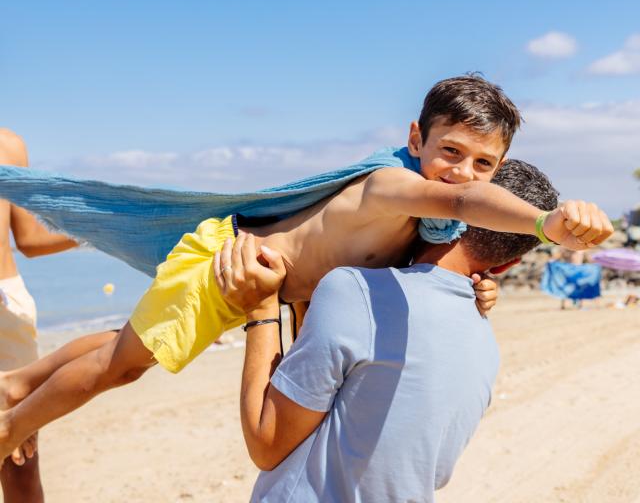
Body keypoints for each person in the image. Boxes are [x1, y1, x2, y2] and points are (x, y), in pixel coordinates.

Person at [0, 76, 612, 463]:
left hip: (254, 282)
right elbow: (460, 202)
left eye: (484, 163)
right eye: (450, 150)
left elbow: (434, 251)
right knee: (125, 365)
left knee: (126, 347)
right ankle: (13, 426)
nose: (462, 172)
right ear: (416, 137)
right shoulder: (393, 185)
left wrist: (481, 290)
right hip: (232, 263)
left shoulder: (429, 223)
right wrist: (543, 222)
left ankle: (17, 388)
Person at [217, 159, 560, 502]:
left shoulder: (354, 291)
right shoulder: (487, 350)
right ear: (507, 263)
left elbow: (267, 444)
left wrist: (260, 306)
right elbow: (432, 470)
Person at [0, 129, 77, 503]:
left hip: (8, 309)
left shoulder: (9, 145)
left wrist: (96, 229)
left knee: (20, 462)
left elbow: (28, 239)